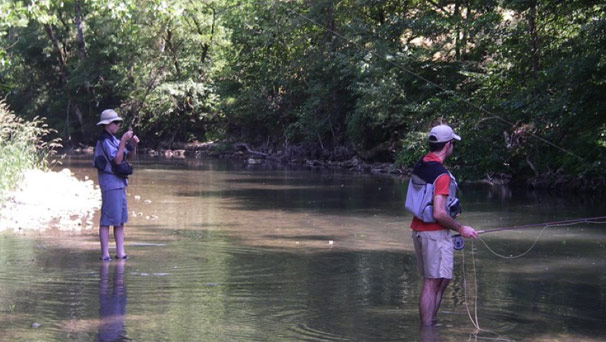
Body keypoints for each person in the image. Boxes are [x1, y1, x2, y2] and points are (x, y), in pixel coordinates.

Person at [404, 124, 478, 326]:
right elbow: (438, 212)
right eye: (452, 143)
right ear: (448, 146)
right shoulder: (442, 175)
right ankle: (427, 330)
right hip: (434, 235)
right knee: (432, 282)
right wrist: (461, 229)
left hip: (419, 231)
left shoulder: (422, 164)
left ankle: (431, 325)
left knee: (440, 280)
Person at [93, 109, 139, 261]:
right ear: (107, 124)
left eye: (118, 123)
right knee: (107, 219)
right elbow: (118, 160)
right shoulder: (104, 141)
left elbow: (129, 156)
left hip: (119, 182)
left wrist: (133, 144)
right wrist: (124, 141)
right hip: (110, 183)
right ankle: (105, 254)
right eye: (115, 123)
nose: (118, 125)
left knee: (120, 219)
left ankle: (120, 252)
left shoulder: (114, 139)